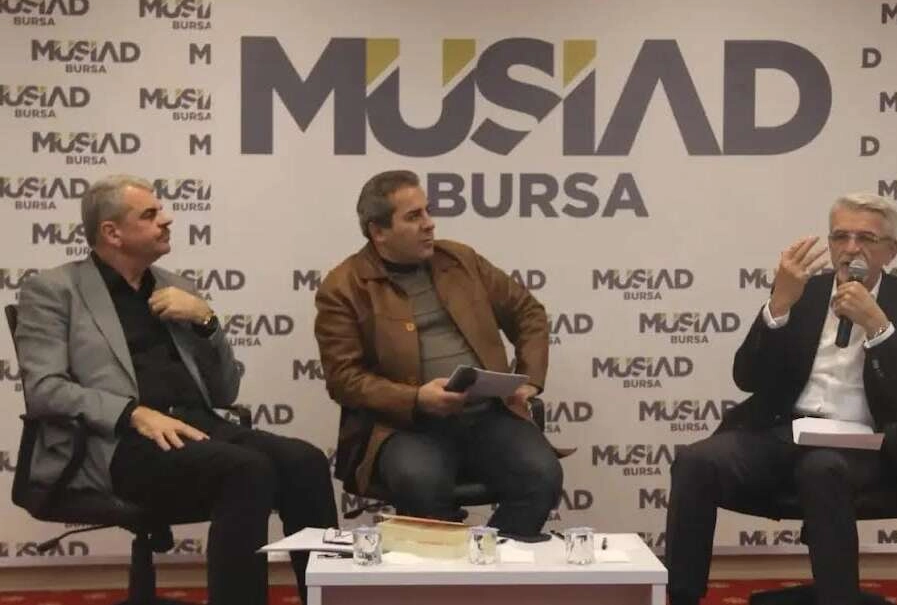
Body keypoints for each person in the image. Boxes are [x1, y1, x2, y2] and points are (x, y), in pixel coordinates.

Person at [16, 175, 336, 605]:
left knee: (305, 462)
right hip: (120, 441)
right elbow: (44, 389)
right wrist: (132, 413)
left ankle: (326, 599)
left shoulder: (177, 288)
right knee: (245, 469)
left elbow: (224, 392)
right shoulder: (56, 291)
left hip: (198, 426)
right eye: (150, 215)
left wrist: (207, 322)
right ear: (112, 232)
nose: (166, 220)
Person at [664, 193, 897, 605]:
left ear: (891, 250)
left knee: (823, 469)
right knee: (696, 461)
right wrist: (778, 305)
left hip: (868, 443)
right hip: (787, 431)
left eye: (866, 238)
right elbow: (747, 377)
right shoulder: (804, 292)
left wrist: (878, 326)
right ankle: (682, 596)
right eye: (841, 236)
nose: (851, 248)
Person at [314, 170, 563, 538]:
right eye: (414, 217)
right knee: (421, 484)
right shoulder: (344, 287)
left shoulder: (460, 260)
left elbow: (528, 313)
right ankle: (448, 567)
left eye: (428, 211)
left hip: (487, 415)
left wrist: (530, 381)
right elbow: (344, 379)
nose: (429, 224)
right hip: (405, 428)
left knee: (542, 475)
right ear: (378, 231)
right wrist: (416, 398)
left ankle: (487, 562)